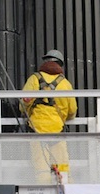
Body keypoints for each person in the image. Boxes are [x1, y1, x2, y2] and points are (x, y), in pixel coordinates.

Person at [20, 49, 77, 184]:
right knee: (61, 162)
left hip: (36, 128)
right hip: (57, 128)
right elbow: (72, 110)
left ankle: (44, 191)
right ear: (60, 64)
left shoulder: (34, 79)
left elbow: (23, 104)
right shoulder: (65, 83)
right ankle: (64, 188)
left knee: (41, 164)